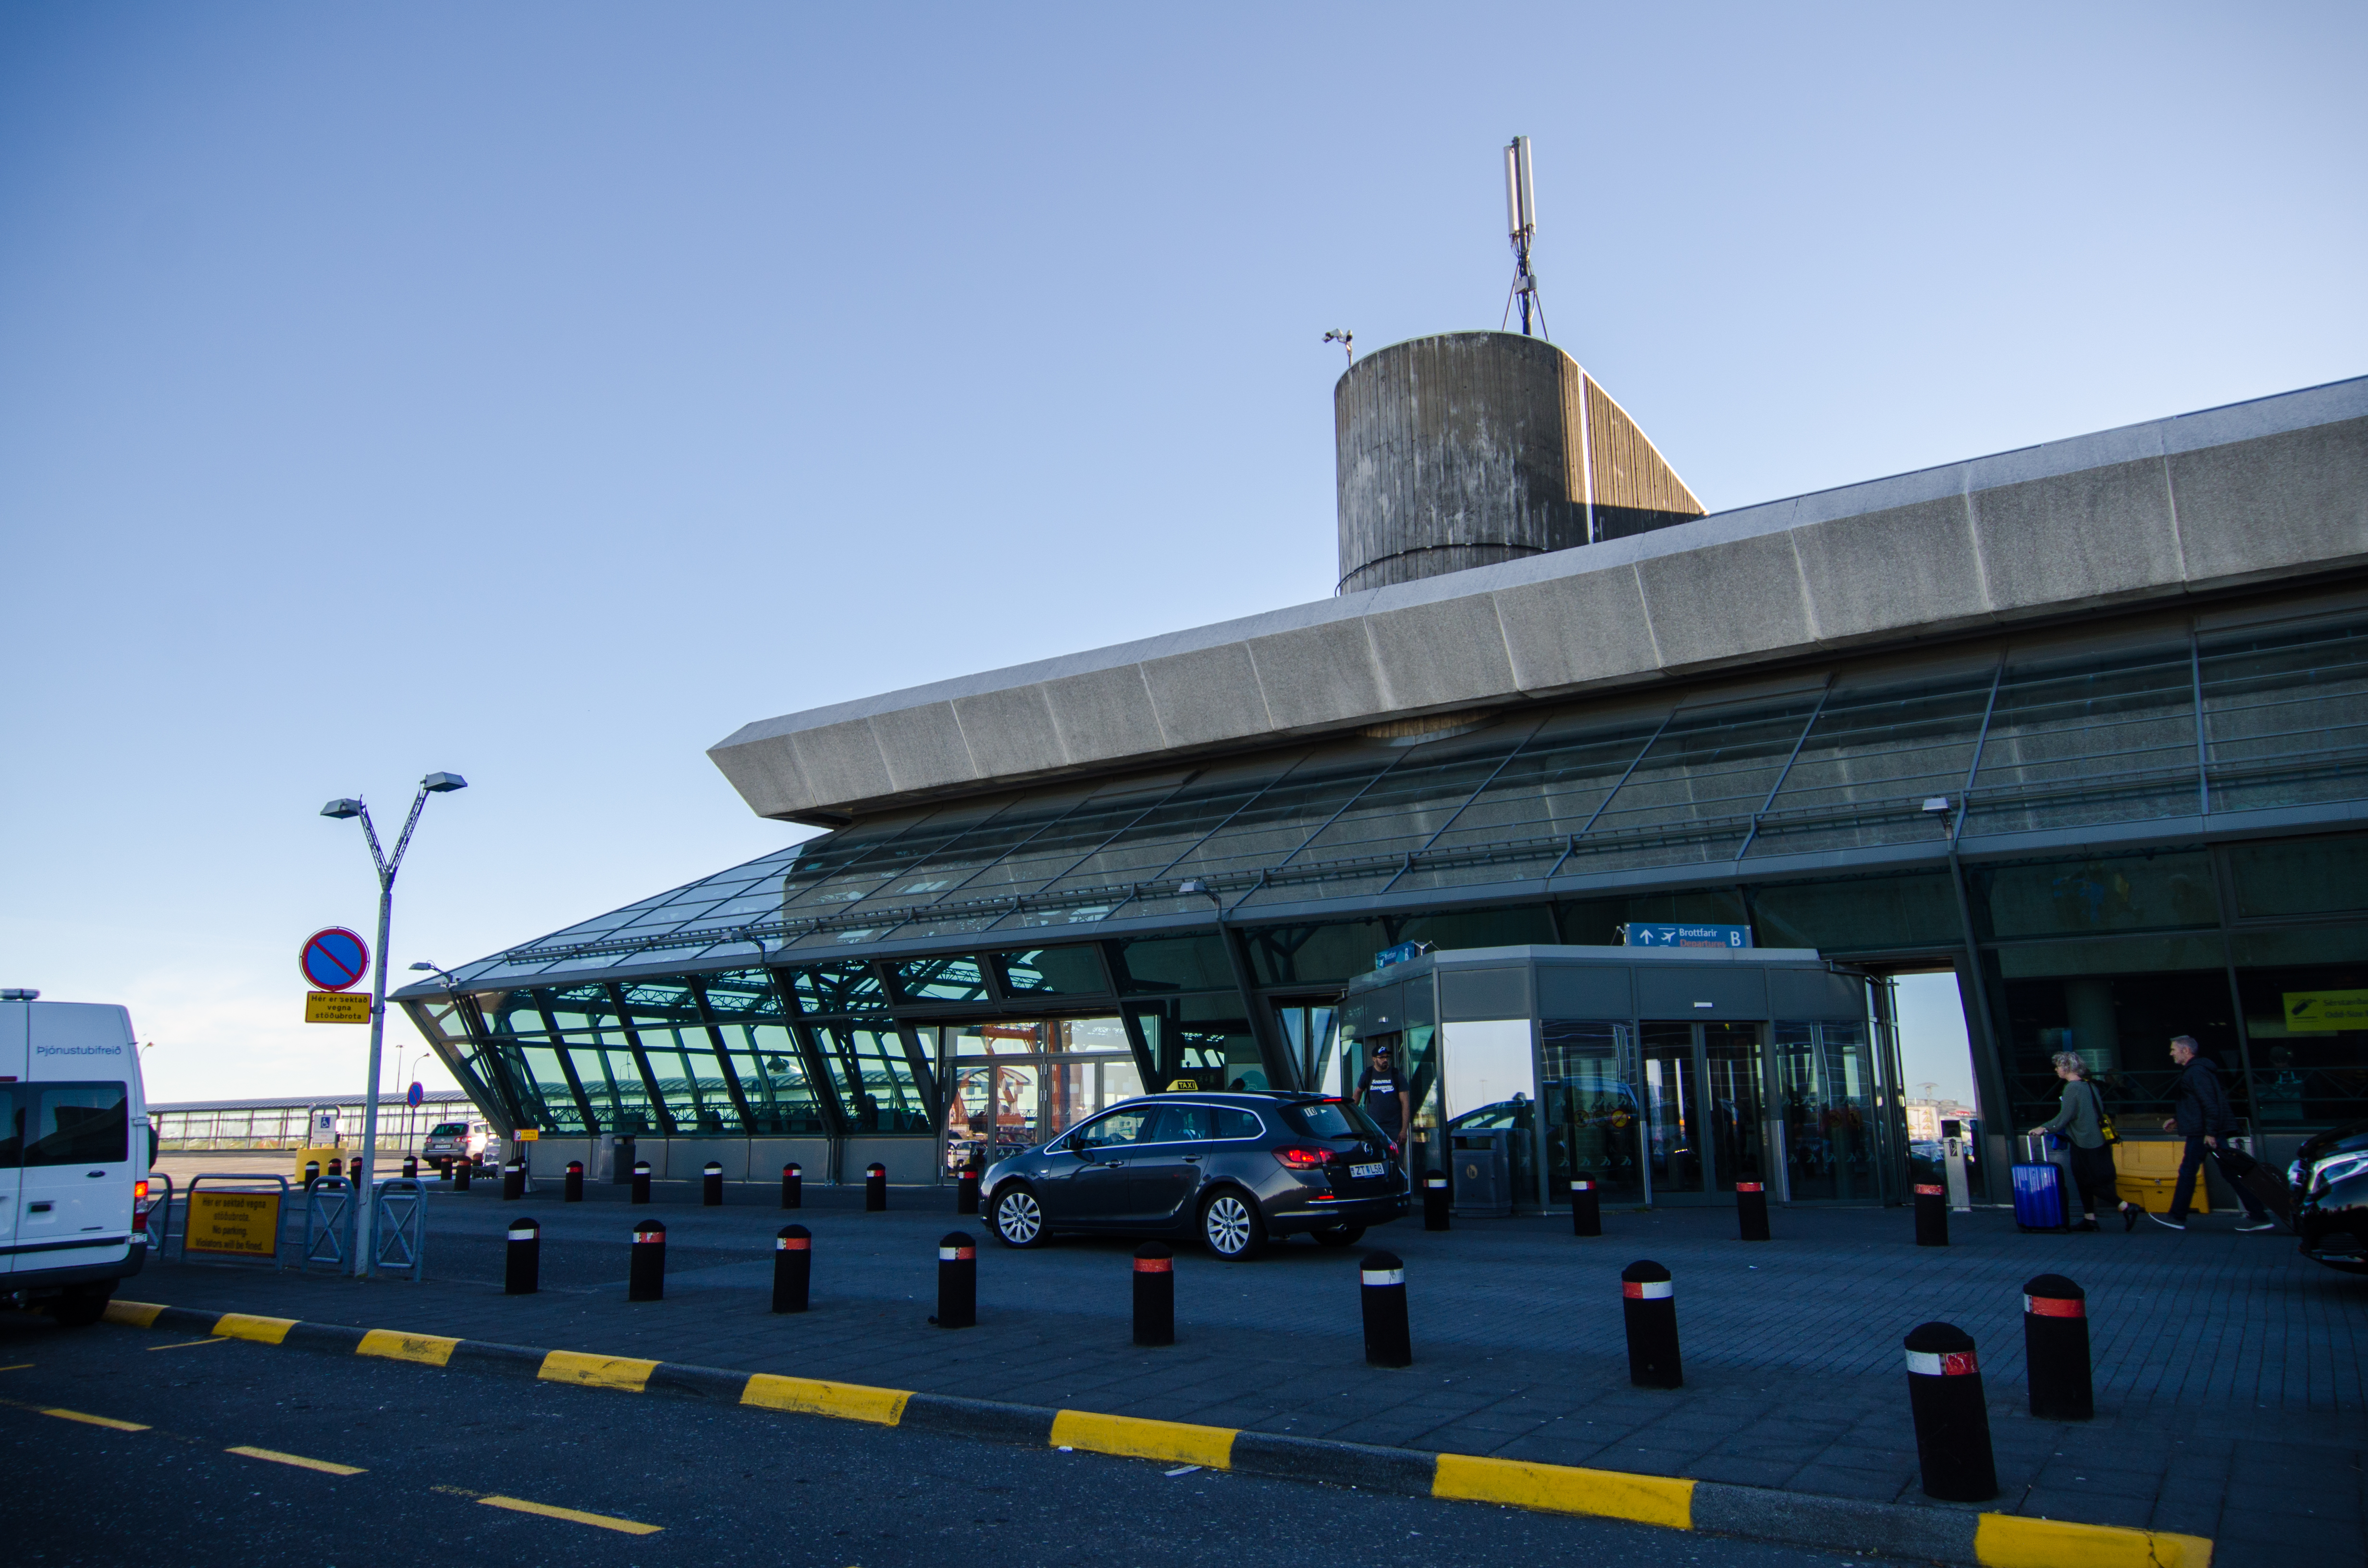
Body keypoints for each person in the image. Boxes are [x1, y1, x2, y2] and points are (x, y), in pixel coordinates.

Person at [2151, 1035, 2275, 1233]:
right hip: (2205, 1130)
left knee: (2189, 1172)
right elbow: (2199, 1103)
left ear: (2186, 1051)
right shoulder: (2200, 1071)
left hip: (2203, 1133)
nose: (2171, 1053)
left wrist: (2210, 1133)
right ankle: (2259, 1215)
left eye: (2174, 1049)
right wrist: (2177, 1119)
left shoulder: (2196, 1073)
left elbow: (2209, 1104)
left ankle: (2177, 1216)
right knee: (2229, 1173)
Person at [2027, 1052, 2138, 1232]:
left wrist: (2045, 1128)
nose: (2056, 1070)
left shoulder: (2072, 1088)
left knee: (2088, 1181)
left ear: (2067, 1068)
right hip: (2096, 1139)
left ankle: (2126, 1206)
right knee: (2083, 1179)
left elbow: (2065, 1116)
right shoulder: (2089, 1085)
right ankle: (2090, 1219)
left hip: (2084, 1141)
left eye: (2058, 1066)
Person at [1356, 1041, 1413, 1170]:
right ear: (1374, 1059)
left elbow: (1406, 1104)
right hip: (1374, 1126)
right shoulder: (1368, 1074)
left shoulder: (1397, 1075)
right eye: (1382, 1058)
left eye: (1387, 1057)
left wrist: (1404, 1130)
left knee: (1397, 1162)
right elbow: (1358, 1093)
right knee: (1376, 1160)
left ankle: (1399, 1187)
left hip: (1395, 1128)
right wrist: (1352, 1115)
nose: (1385, 1060)